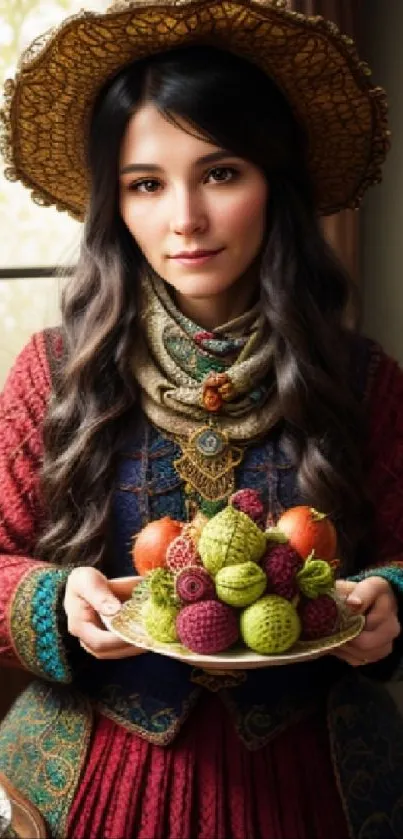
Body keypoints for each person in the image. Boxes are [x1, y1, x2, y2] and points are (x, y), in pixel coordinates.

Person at [0, 0, 403, 837]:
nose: (184, 217)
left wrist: (388, 597)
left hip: (322, 789)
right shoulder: (50, 372)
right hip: (78, 787)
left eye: (220, 172)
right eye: (146, 184)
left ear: (274, 184)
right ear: (115, 204)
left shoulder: (366, 380)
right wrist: (54, 599)